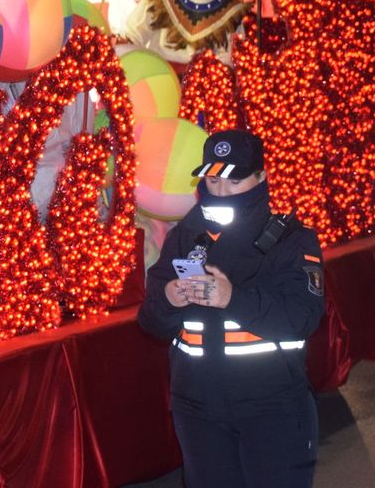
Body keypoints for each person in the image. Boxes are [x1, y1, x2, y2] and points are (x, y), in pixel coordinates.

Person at [139, 129, 325, 487]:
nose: (222, 191)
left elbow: (303, 317)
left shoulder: (291, 239)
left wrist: (232, 299)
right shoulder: (184, 236)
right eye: (213, 181)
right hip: (197, 408)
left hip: (271, 406)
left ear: (261, 177)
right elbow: (150, 321)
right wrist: (169, 299)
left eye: (234, 181)